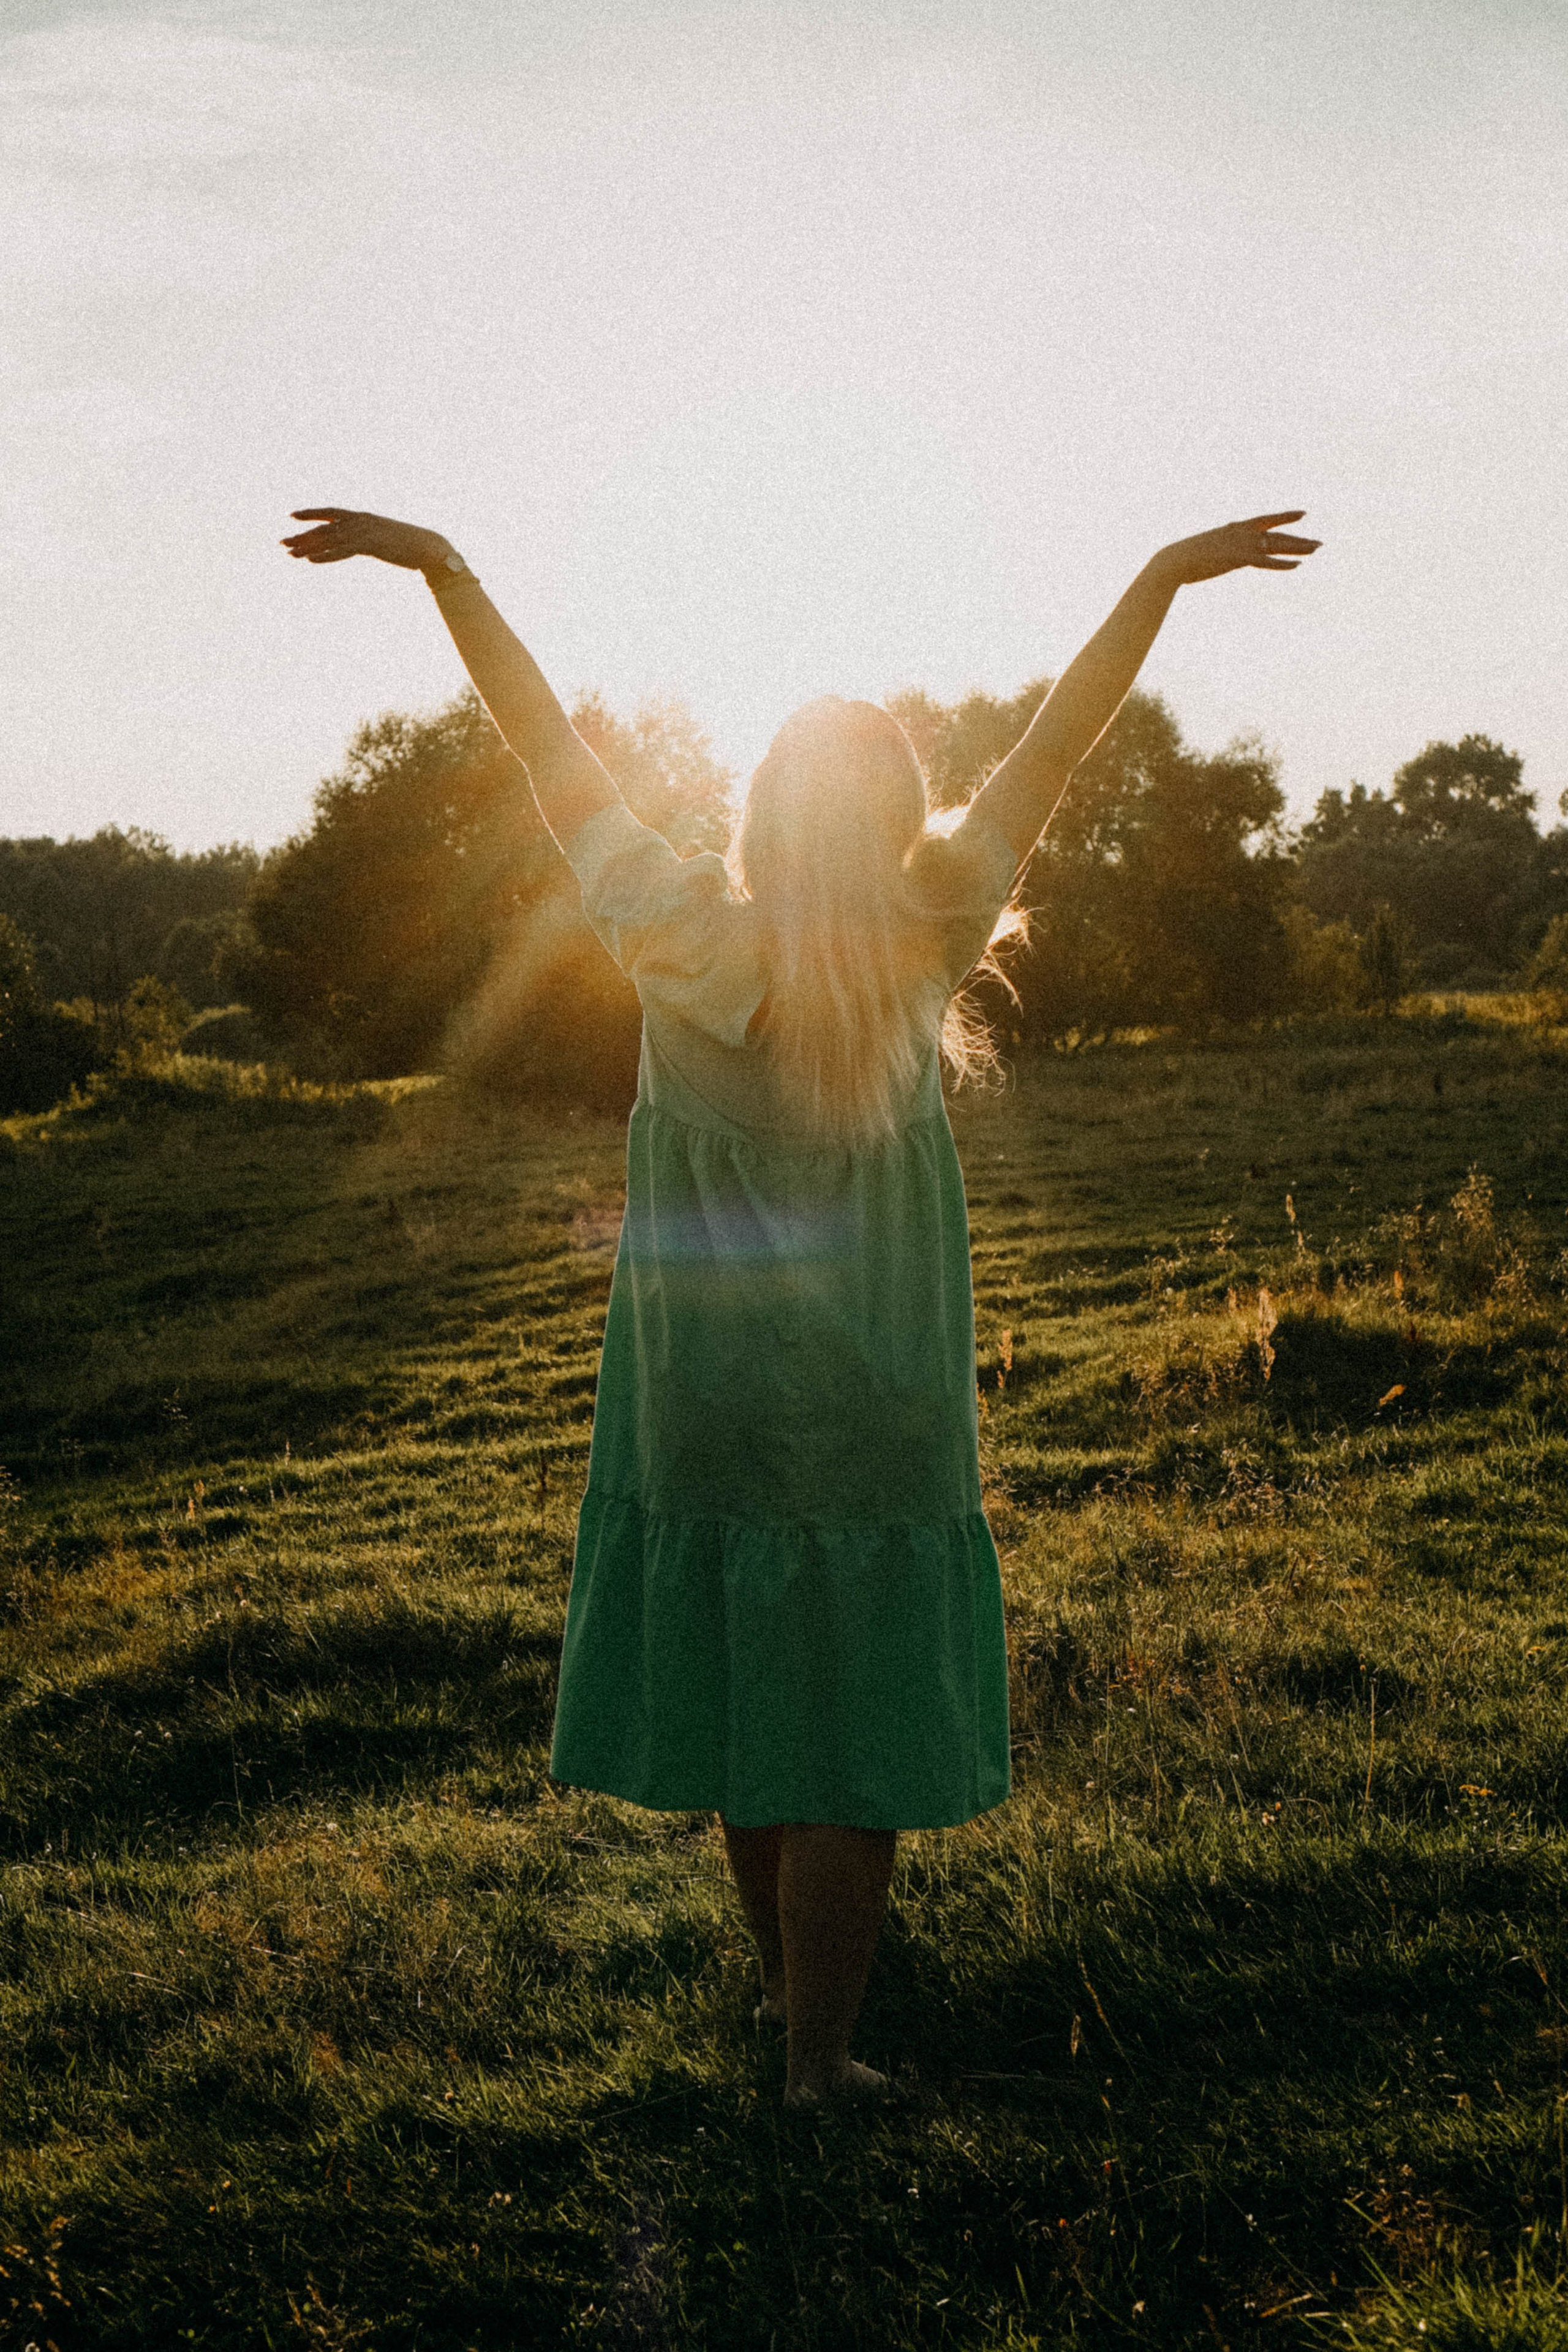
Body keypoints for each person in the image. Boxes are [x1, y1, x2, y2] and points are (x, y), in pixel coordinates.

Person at [282, 499, 1319, 2103]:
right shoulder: (929, 925)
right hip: (880, 1399)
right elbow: (1056, 744)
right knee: (846, 1730)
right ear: (895, 819)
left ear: (762, 817)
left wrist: (448, 573)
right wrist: (1159, 580)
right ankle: (817, 2061)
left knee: (762, 1694)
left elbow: (546, 747)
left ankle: (792, 2025)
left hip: (703, 1392)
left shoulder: (665, 921)